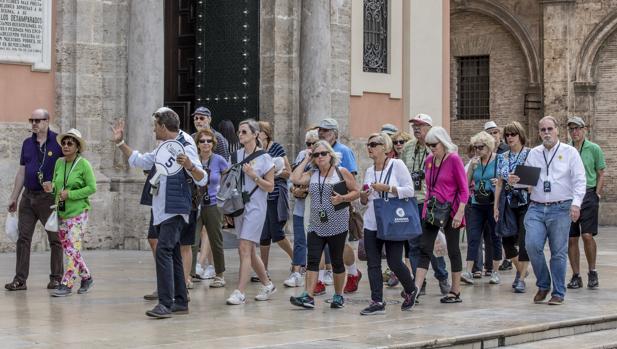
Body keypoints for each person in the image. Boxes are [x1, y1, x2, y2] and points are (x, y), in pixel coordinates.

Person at [112, 107, 207, 318]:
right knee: (172, 252)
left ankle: (165, 303)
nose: (153, 130)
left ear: (163, 127)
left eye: (155, 126)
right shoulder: (165, 145)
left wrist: (190, 165)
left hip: (175, 207)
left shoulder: (186, 145)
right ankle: (180, 301)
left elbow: (203, 178)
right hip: (162, 206)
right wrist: (120, 143)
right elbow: (142, 160)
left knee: (163, 250)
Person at [523, 116, 586, 305]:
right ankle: (544, 284)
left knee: (558, 251)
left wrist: (576, 204)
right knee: (532, 245)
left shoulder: (570, 152)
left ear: (557, 130)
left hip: (561, 207)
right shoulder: (534, 153)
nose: (546, 133)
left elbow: (579, 180)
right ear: (539, 132)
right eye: (543, 130)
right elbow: (528, 183)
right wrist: (517, 181)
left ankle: (558, 292)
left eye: (550, 129)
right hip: (536, 206)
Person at [289, 140, 359, 309]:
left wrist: (342, 198)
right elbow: (294, 178)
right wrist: (306, 159)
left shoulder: (341, 172)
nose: (319, 157)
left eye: (323, 153)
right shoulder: (312, 174)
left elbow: (356, 191)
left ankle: (338, 295)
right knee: (312, 260)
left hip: (337, 224)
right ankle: (308, 296)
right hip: (316, 225)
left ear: (330, 155)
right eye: (316, 154)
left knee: (336, 262)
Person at [359, 133, 418, 315]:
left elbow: (410, 190)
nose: (370, 147)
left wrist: (388, 189)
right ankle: (377, 301)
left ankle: (410, 289)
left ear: (385, 147)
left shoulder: (397, 165)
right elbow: (364, 201)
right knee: (373, 263)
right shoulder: (369, 171)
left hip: (392, 221)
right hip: (371, 222)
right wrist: (363, 196)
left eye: (374, 144)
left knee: (394, 261)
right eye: (368, 144)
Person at [5, 109, 64, 291]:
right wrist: (14, 197)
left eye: (38, 120)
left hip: (49, 198)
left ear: (47, 121)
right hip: (28, 197)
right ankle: (20, 280)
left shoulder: (58, 142)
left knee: (55, 239)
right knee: (23, 238)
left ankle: (56, 278)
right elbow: (22, 172)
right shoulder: (27, 144)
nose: (34, 124)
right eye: (32, 120)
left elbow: (65, 171)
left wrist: (57, 189)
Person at [225, 119, 277, 305]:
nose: (240, 135)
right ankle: (268, 284)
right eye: (239, 132)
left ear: (255, 134)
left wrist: (253, 175)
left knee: (244, 248)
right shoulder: (235, 155)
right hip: (239, 205)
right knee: (250, 251)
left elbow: (270, 187)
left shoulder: (265, 159)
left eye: (244, 132)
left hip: (256, 207)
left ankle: (240, 291)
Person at [415, 126, 468, 304]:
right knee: (424, 248)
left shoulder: (454, 159)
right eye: (428, 145)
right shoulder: (429, 160)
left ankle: (455, 290)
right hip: (432, 210)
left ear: (443, 142)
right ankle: (414, 290)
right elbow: (428, 188)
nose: (431, 148)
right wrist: (424, 212)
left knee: (453, 250)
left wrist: (460, 213)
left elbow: (464, 189)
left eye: (434, 145)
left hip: (452, 210)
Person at [400, 114, 450, 296]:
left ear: (429, 127)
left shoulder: (435, 149)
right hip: (411, 201)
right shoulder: (408, 148)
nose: (416, 128)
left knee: (431, 244)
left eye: (420, 125)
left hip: (430, 202)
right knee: (413, 244)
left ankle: (442, 276)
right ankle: (418, 283)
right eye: (414, 125)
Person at [48, 129, 97, 297]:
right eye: (64, 143)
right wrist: (52, 187)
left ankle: (67, 283)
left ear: (77, 147)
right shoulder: (59, 163)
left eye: (70, 143)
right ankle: (87, 277)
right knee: (69, 248)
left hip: (78, 213)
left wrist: (71, 194)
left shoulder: (84, 164)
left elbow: (92, 188)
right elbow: (56, 183)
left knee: (71, 249)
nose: (66, 146)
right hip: (62, 211)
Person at [317, 118, 363, 294]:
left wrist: (345, 199)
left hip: (339, 203)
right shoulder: (317, 151)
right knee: (318, 243)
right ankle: (318, 280)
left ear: (335, 133)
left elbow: (351, 179)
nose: (322, 133)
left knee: (341, 244)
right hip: (319, 204)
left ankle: (352, 273)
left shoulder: (344, 151)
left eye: (326, 131)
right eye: (320, 130)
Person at [566, 116, 605, 290]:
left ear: (584, 129)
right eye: (571, 129)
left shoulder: (594, 148)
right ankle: (576, 275)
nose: (575, 132)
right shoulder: (566, 149)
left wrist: (597, 194)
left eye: (577, 128)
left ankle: (592, 271)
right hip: (570, 195)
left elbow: (601, 172)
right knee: (571, 238)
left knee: (587, 235)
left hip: (588, 194)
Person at [493, 121, 532, 293]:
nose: (509, 138)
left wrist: (520, 180)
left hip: (526, 202)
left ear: (520, 135)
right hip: (507, 202)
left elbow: (533, 183)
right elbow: (499, 184)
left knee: (524, 242)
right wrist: (495, 206)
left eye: (513, 134)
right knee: (507, 241)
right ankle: (521, 269)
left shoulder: (530, 154)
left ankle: (521, 278)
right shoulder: (503, 156)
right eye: (507, 135)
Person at [461, 131, 502, 285]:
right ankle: (468, 271)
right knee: (473, 237)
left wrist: (497, 181)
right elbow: (466, 183)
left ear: (489, 146)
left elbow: (503, 181)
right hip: (477, 203)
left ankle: (495, 272)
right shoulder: (474, 162)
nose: (477, 150)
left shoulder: (499, 160)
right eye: (475, 147)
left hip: (493, 203)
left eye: (481, 147)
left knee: (495, 237)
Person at [192, 129, 229, 288]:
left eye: (208, 141)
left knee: (216, 241)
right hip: (196, 204)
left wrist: (223, 196)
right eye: (202, 141)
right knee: (192, 241)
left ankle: (219, 275)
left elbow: (229, 178)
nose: (205, 143)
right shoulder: (193, 160)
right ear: (197, 144)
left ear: (213, 143)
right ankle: (190, 274)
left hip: (214, 204)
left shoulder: (219, 160)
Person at [256, 121, 293, 277]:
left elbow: (288, 172)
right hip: (261, 196)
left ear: (266, 133)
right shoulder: (255, 150)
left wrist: (273, 173)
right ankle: (263, 270)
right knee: (264, 235)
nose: (256, 133)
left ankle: (298, 261)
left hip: (276, 195)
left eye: (258, 131)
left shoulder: (276, 147)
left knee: (277, 233)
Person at [285, 129, 319, 287]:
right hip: (300, 207)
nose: (311, 146)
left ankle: (324, 271)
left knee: (319, 241)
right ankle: (296, 272)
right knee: (299, 240)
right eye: (308, 143)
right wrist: (294, 190)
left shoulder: (324, 158)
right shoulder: (301, 155)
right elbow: (292, 178)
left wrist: (304, 189)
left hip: (317, 208)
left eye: (314, 143)